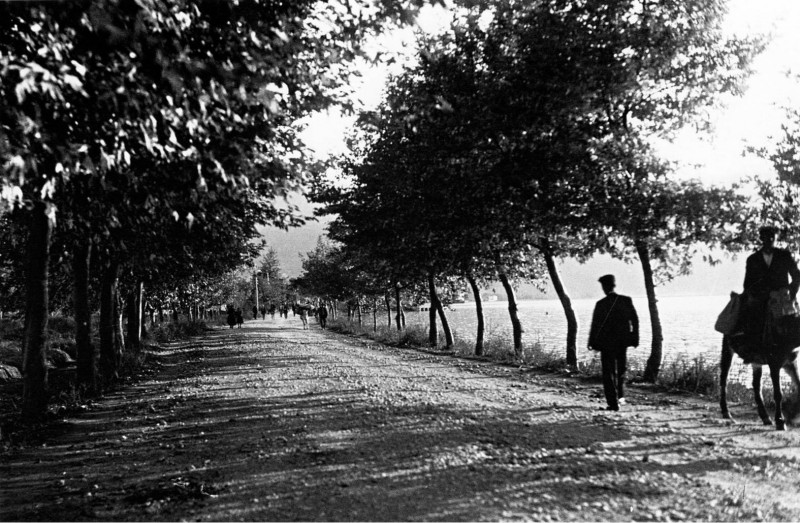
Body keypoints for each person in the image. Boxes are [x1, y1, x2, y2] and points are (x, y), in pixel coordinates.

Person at [736, 226, 800, 350]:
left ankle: (792, 351)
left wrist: (791, 292)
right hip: (762, 298)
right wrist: (759, 294)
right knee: (752, 319)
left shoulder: (785, 256)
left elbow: (797, 276)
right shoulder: (753, 259)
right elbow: (748, 284)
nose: (770, 239)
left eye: (772, 237)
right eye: (766, 237)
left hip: (783, 297)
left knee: (793, 323)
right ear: (761, 238)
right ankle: (752, 350)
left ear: (776, 238)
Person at [588, 274, 639, 411]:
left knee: (608, 372)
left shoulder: (601, 304)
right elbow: (634, 321)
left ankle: (613, 402)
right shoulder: (626, 301)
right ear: (613, 286)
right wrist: (634, 338)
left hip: (607, 343)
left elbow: (595, 325)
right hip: (622, 342)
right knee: (621, 369)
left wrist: (592, 342)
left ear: (604, 287)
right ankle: (620, 397)